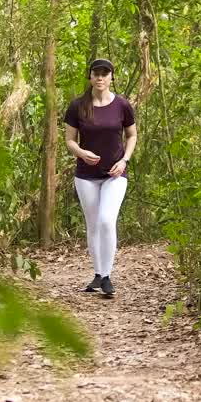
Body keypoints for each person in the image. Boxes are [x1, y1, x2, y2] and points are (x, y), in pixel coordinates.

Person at [63, 58, 137, 298]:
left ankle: (107, 276)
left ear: (111, 77)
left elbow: (132, 135)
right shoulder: (77, 106)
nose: (100, 77)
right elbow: (69, 140)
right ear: (90, 77)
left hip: (115, 174)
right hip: (86, 176)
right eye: (96, 73)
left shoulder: (122, 105)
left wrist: (124, 160)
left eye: (105, 74)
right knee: (93, 224)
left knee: (107, 220)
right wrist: (82, 153)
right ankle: (98, 273)